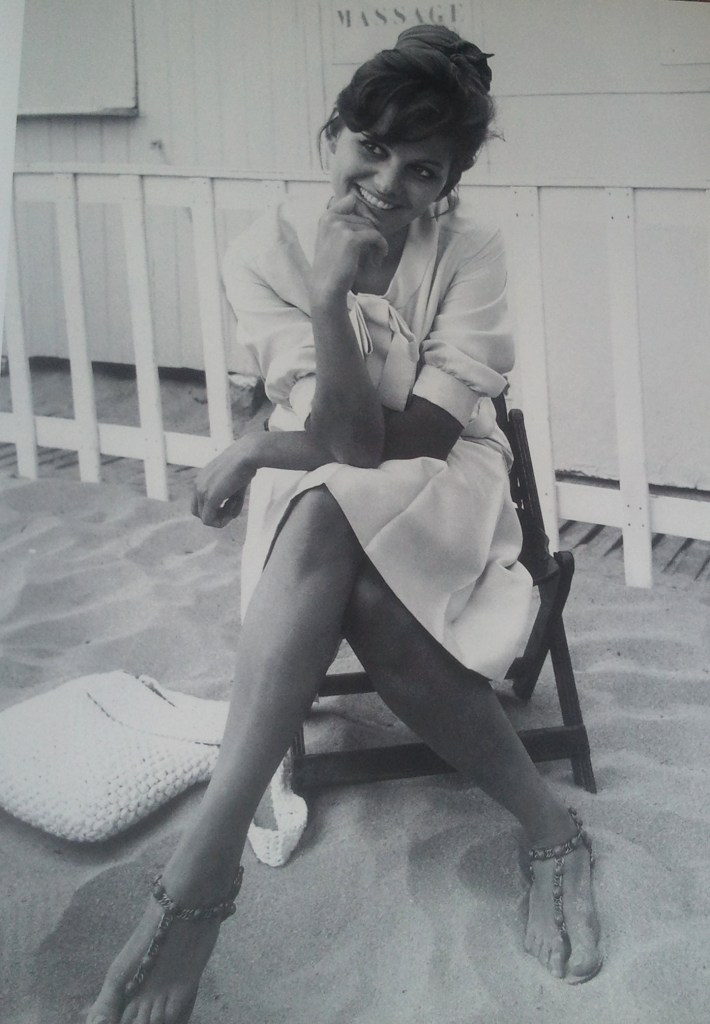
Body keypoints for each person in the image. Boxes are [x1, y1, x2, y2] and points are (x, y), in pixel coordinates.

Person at [88, 24, 601, 1024]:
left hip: (445, 479)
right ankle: (549, 831)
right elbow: (336, 436)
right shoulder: (266, 252)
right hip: (330, 486)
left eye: (420, 169)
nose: (385, 181)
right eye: (369, 146)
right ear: (335, 134)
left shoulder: (471, 252)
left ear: (446, 183)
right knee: (341, 540)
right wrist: (327, 294)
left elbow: (396, 441)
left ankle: (195, 882)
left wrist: (252, 448)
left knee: (328, 498)